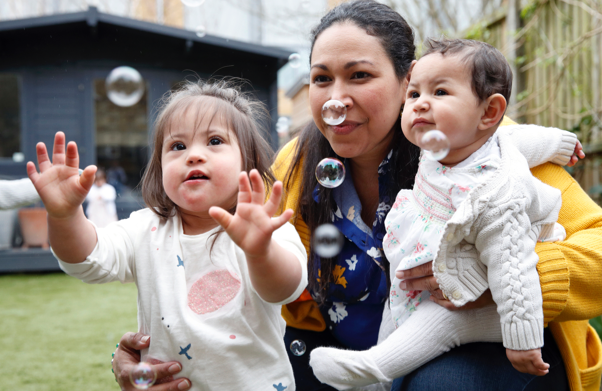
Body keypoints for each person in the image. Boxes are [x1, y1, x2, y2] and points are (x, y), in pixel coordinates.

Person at [113, 1, 602, 390]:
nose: (334, 99)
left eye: (360, 75)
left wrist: (507, 277)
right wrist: (150, 353)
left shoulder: (479, 147)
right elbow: (218, 267)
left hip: (492, 351)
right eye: (322, 78)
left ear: (408, 80)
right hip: (346, 361)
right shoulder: (292, 171)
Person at [308, 37, 584, 389]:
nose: (421, 104)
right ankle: (376, 375)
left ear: (489, 113)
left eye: (439, 93)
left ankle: (373, 367)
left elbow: (513, 272)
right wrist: (559, 143)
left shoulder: (497, 195)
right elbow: (520, 141)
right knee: (401, 308)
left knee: (438, 323)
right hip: (426, 280)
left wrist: (523, 342)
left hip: (495, 305)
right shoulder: (449, 146)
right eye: (414, 94)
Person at [26, 80, 308, 391]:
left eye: (214, 141)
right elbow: (87, 259)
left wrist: (259, 251)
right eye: (177, 146)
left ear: (248, 161)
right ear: (159, 167)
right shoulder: (144, 229)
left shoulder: (266, 227)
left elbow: (285, 290)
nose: (193, 155)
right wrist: (65, 216)